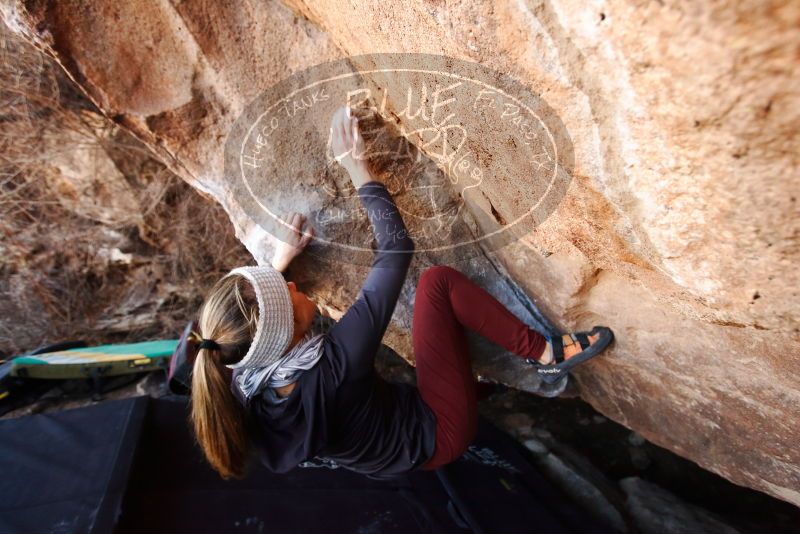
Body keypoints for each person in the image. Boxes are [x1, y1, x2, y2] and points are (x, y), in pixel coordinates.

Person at [189, 106, 613, 481]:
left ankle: (476, 381)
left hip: (387, 446)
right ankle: (545, 354)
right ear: (283, 337)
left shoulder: (238, 370)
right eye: (286, 293)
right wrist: (358, 169)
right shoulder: (332, 367)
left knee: (433, 347)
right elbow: (396, 251)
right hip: (437, 433)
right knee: (438, 285)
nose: (294, 284)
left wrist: (276, 268)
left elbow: (245, 330)